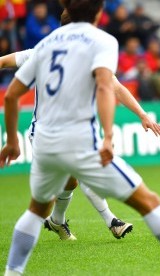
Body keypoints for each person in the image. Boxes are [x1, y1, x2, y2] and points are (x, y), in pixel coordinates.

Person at [0, 1, 160, 275]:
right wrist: (107, 135)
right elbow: (107, 86)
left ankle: (13, 270)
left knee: (36, 209)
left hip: (43, 141)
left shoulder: (44, 46)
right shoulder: (100, 41)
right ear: (98, 13)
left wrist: (11, 141)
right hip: (79, 141)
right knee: (147, 201)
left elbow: (10, 95)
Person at [0, 8, 150, 241]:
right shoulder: (43, 52)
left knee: (71, 180)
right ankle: (111, 220)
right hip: (45, 133)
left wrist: (142, 114)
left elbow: (116, 87)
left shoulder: (85, 56)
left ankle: (58, 222)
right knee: (55, 192)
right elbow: (5, 64)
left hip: (76, 131)